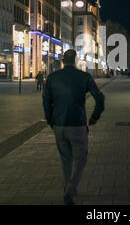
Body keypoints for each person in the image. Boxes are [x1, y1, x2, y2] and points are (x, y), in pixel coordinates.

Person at [43, 49, 105, 205]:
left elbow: (46, 101)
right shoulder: (84, 77)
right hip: (77, 124)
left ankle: (67, 188)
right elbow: (99, 97)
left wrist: (50, 120)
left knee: (65, 159)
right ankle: (70, 189)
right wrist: (94, 116)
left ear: (63, 61)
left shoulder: (52, 77)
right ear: (76, 60)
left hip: (59, 125)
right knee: (81, 159)